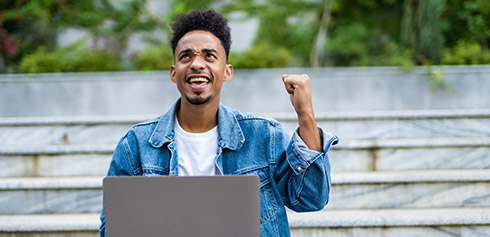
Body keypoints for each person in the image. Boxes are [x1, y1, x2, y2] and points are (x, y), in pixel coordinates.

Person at [99, 9, 338, 237]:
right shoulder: (137, 146)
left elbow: (311, 198)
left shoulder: (264, 136)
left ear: (227, 71)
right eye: (186, 56)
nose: (196, 64)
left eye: (209, 56)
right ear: (174, 73)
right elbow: (112, 227)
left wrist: (305, 113)